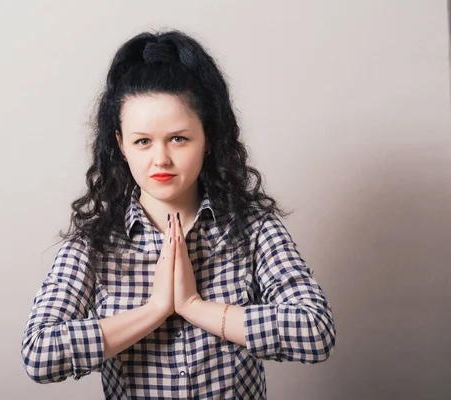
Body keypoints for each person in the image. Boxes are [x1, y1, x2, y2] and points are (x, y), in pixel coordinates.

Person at [20, 29, 336, 399]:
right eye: (143, 141)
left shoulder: (253, 230)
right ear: (121, 145)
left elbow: (316, 331)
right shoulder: (94, 246)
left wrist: (194, 307)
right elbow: (39, 355)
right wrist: (155, 310)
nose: (161, 159)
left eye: (179, 138)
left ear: (208, 139)